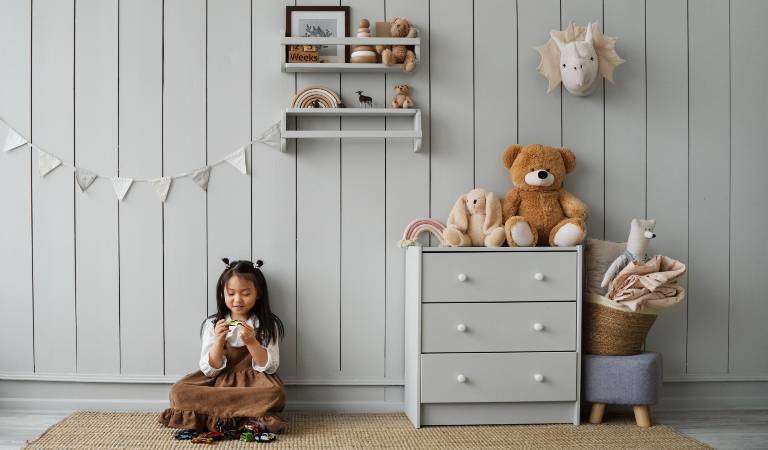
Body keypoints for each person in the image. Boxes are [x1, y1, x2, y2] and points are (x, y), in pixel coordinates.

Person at [159, 258, 286, 433]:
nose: (237, 299)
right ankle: (244, 415)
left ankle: (220, 414)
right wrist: (219, 341)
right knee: (178, 391)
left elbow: (270, 367)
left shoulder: (266, 325)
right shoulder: (213, 324)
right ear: (222, 293)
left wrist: (252, 342)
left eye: (246, 293)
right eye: (231, 293)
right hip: (217, 381)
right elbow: (210, 369)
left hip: (253, 384)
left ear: (258, 293)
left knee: (275, 393)